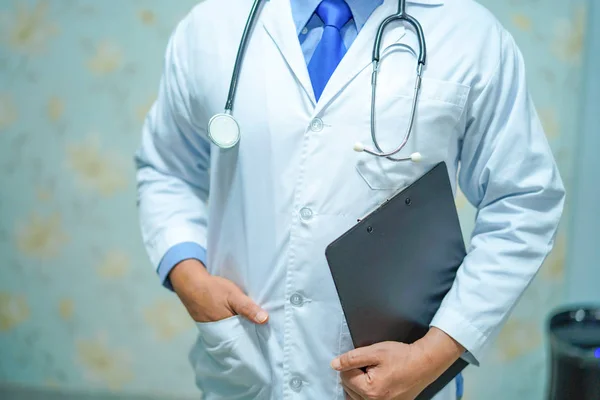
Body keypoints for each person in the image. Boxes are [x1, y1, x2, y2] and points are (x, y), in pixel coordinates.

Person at [134, 0, 565, 399]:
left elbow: (524, 201)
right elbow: (166, 169)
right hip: (247, 369)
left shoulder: (472, 37)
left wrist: (433, 354)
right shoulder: (212, 26)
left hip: (400, 380)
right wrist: (188, 278)